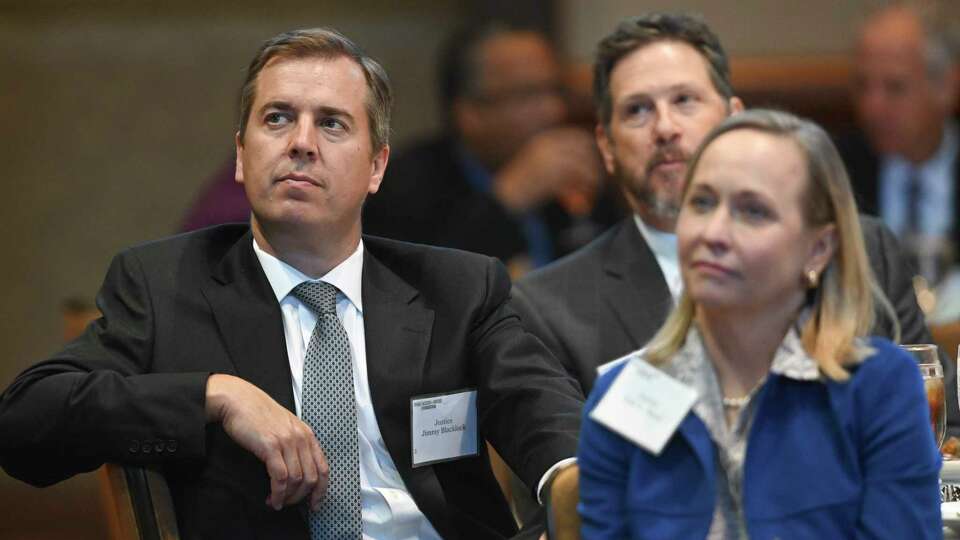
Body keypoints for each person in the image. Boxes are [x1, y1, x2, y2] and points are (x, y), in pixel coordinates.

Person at [0, 28, 583, 540]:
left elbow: (545, 414)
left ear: (376, 167)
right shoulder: (164, 285)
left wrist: (569, 493)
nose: (301, 142)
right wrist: (214, 395)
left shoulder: (456, 288)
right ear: (241, 154)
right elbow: (25, 423)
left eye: (331, 123)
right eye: (278, 118)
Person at [511, 13, 947, 411]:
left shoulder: (860, 247)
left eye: (684, 100)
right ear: (606, 145)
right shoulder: (549, 309)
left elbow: (941, 427)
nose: (665, 128)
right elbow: (562, 490)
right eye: (638, 110)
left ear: (733, 118)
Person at [579, 108, 942, 538]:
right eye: (701, 203)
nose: (712, 232)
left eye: (752, 212)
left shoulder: (876, 387)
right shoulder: (624, 396)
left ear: (818, 249)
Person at [362, 23, 621, 277]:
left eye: (555, 90)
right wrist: (507, 199)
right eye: (529, 95)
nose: (554, 110)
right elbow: (416, 289)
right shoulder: (400, 186)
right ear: (470, 114)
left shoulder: (571, 171)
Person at [837, 2, 959, 278]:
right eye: (863, 85)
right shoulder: (836, 170)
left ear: (946, 88)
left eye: (895, 87)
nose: (872, 107)